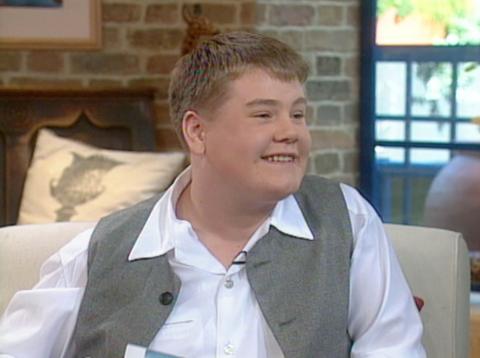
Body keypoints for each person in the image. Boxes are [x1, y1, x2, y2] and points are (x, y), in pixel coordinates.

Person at [0, 31, 425, 357]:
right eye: (264, 114)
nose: (290, 132)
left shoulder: (347, 222)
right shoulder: (101, 251)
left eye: (298, 113)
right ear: (197, 132)